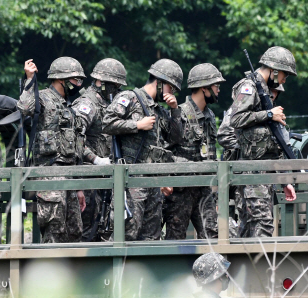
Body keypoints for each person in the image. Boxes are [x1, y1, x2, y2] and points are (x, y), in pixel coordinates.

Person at [102, 58, 184, 241]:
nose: (172, 93)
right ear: (161, 83)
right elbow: (107, 122)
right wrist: (137, 125)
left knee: (152, 236)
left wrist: (175, 110)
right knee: (128, 233)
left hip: (153, 182)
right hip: (131, 180)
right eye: (171, 88)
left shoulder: (159, 110)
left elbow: (176, 138)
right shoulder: (130, 98)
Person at [224, 46, 297, 238]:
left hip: (262, 171)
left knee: (251, 227)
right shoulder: (249, 87)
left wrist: (284, 179)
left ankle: (246, 267)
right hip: (252, 171)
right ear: (274, 70)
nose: (283, 80)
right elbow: (236, 119)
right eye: (284, 75)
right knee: (262, 225)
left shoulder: (264, 90)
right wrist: (269, 114)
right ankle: (261, 268)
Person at [17, 57, 87, 243]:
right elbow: (23, 108)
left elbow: (75, 149)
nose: (78, 84)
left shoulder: (69, 107)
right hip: (49, 175)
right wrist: (30, 79)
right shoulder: (43, 98)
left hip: (69, 177)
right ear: (60, 79)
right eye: (75, 80)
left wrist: (78, 186)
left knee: (75, 233)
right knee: (54, 232)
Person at [162, 63, 224, 240]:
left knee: (213, 235)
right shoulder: (179, 113)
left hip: (204, 188)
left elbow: (210, 153)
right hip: (181, 189)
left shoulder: (210, 115)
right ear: (204, 88)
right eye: (216, 86)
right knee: (175, 238)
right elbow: (164, 152)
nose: (218, 90)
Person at [71, 58, 127, 242]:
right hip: (88, 178)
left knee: (103, 230)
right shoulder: (88, 103)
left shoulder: (105, 103)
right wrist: (95, 159)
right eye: (115, 86)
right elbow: (74, 138)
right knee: (87, 232)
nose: (117, 91)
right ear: (102, 83)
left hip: (104, 178)